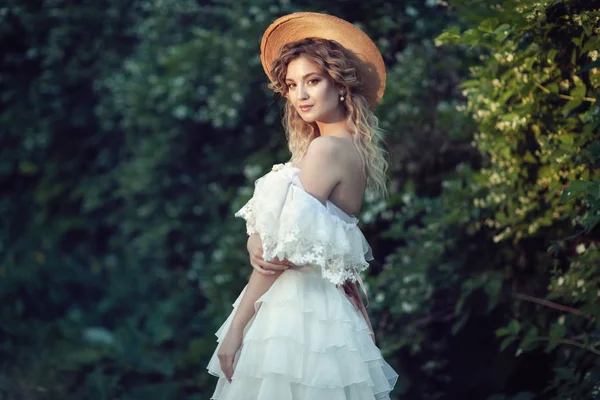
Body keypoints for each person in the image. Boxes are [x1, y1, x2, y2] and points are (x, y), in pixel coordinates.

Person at [207, 12, 398, 400]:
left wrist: (236, 329)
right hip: (323, 311)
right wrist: (256, 237)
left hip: (298, 317)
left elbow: (282, 252)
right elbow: (296, 239)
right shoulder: (347, 147)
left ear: (341, 85)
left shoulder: (326, 149)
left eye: (313, 81)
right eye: (292, 85)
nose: (301, 95)